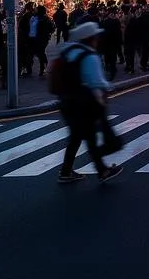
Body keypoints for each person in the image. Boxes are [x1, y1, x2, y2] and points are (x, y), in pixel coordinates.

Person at [54, 21, 123, 184]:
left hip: (66, 101)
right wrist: (109, 87)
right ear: (90, 38)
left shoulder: (66, 52)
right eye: (95, 36)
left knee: (77, 136)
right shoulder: (89, 56)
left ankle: (66, 171)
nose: (97, 39)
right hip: (85, 102)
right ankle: (102, 170)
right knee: (92, 137)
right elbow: (96, 82)